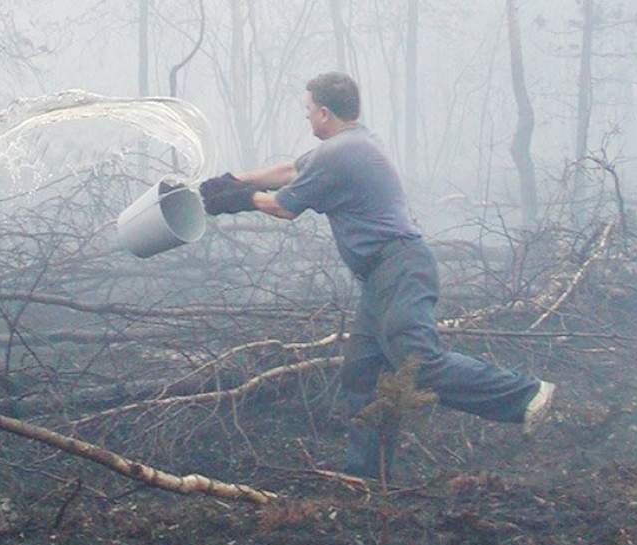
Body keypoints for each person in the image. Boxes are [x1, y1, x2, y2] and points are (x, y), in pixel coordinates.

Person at [199, 72, 556, 478]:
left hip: (399, 268)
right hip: (383, 276)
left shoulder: (338, 153)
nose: (307, 118)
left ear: (324, 113)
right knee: (363, 374)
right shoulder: (352, 142)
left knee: (418, 362)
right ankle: (367, 476)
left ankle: (526, 395)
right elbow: (288, 171)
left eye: (308, 111)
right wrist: (233, 179)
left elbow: (284, 205)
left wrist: (238, 200)